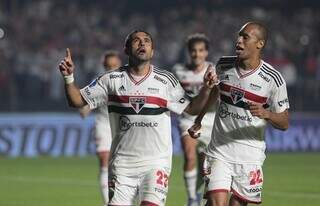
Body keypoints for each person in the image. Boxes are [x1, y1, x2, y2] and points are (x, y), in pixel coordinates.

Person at [58, 30, 218, 206]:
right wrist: (68, 77)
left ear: (153, 51)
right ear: (126, 50)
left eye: (147, 41)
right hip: (122, 165)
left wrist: (206, 89)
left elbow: (192, 108)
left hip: (156, 163)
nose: (142, 44)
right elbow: (77, 100)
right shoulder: (110, 80)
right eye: (136, 41)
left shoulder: (165, 81)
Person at [188, 22, 290, 206]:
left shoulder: (273, 79)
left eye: (245, 37)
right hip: (219, 151)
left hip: (250, 157)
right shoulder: (223, 64)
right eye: (239, 36)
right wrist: (199, 119)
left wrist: (267, 113)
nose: (239, 40)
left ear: (260, 44)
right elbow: (216, 91)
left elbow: (284, 122)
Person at [172, 33, 216, 206]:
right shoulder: (178, 70)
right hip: (188, 118)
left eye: (201, 50)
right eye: (193, 50)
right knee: (189, 156)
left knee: (205, 162)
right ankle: (191, 199)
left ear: (206, 52)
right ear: (188, 52)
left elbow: (217, 95)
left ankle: (199, 194)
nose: (197, 54)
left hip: (210, 119)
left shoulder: (213, 69)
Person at [79, 51, 122, 205]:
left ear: (120, 65)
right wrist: (84, 108)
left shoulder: (128, 79)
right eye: (108, 66)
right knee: (104, 160)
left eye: (114, 66)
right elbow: (87, 101)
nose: (111, 69)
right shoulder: (98, 81)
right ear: (104, 67)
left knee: (122, 166)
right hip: (104, 124)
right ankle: (107, 202)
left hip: (124, 126)